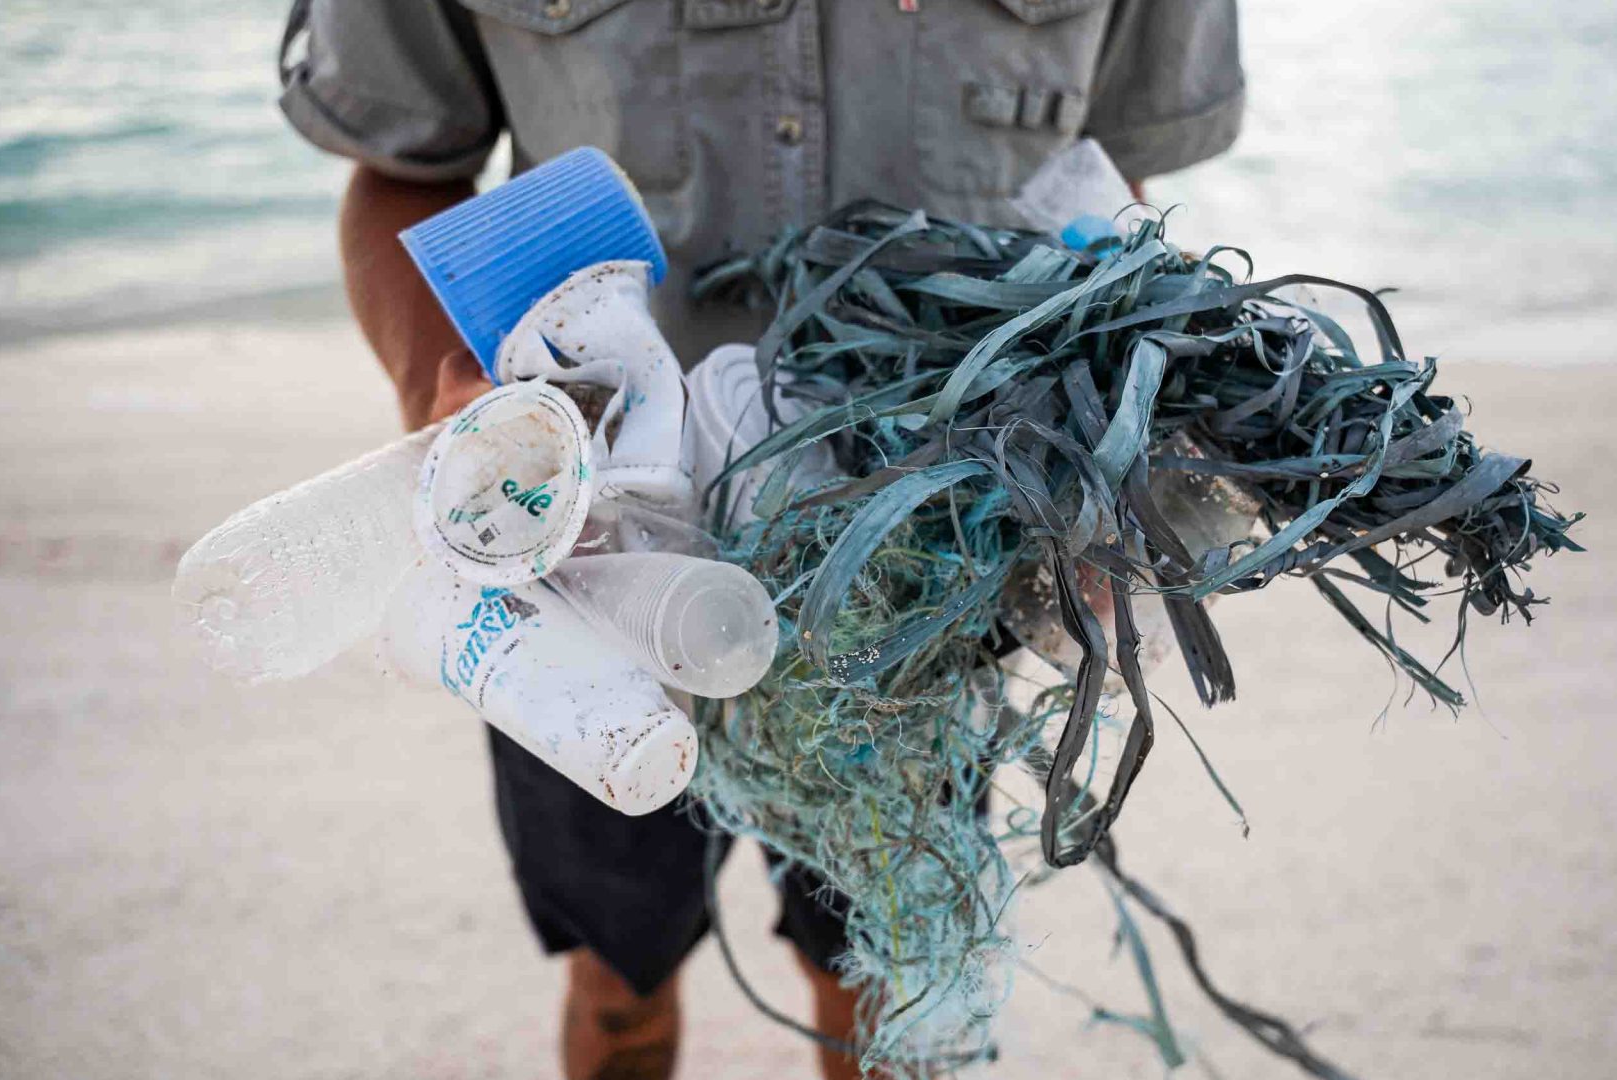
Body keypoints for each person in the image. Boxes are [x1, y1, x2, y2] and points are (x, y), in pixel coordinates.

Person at [276, 2, 1241, 1077]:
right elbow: (402, 169)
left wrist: (1113, 441)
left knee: (879, 984)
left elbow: (1104, 179)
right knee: (617, 981)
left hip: (930, 584)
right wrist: (444, 392)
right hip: (590, 570)